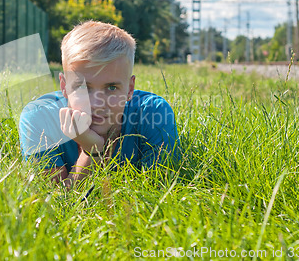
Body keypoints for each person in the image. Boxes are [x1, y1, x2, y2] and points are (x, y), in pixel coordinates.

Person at [19, 21, 179, 187]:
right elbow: (56, 201)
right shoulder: (39, 117)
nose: (97, 103)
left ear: (130, 89)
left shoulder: (153, 113)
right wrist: (92, 152)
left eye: (111, 87)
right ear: (64, 86)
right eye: (83, 87)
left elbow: (160, 193)